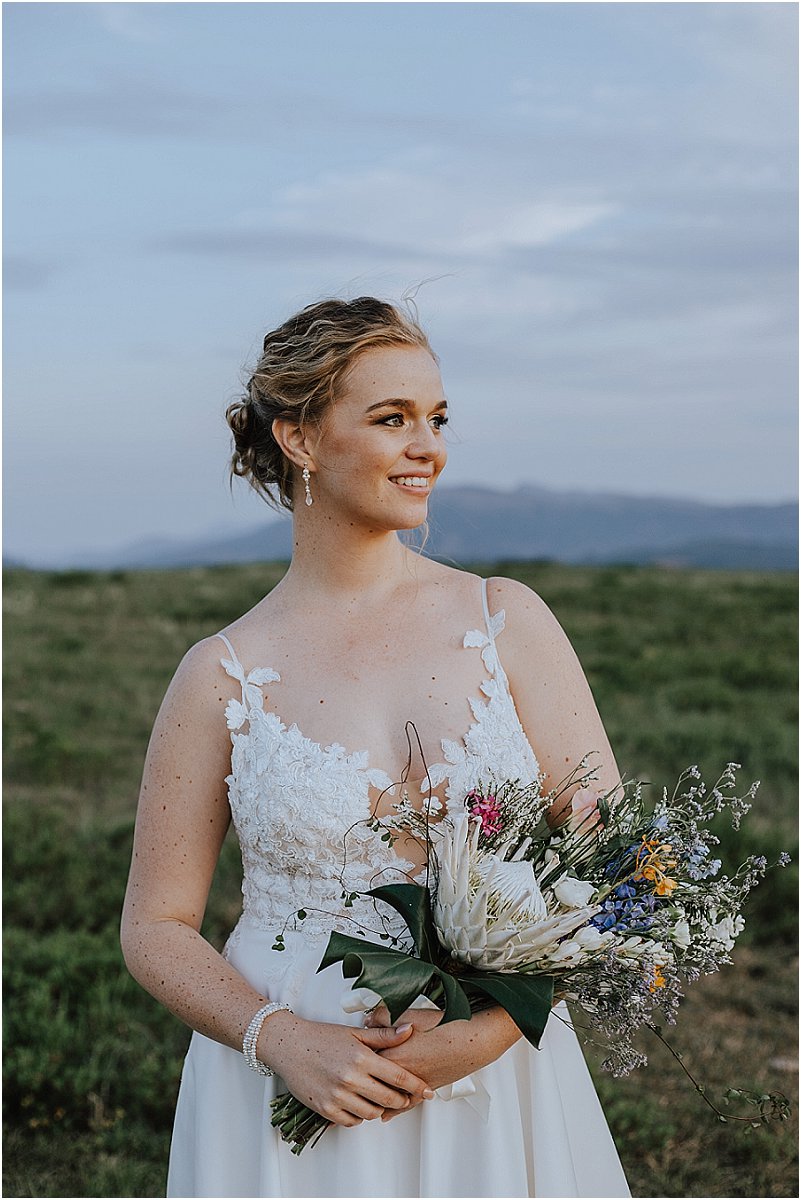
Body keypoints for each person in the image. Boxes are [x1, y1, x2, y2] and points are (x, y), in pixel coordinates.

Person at [121, 296, 631, 1198]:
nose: (426, 445)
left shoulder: (504, 619)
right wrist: (279, 1040)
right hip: (292, 1070)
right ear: (300, 439)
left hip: (495, 1058)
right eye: (390, 418)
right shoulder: (221, 674)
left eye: (436, 419)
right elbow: (156, 927)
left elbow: (612, 863)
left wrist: (487, 1033)